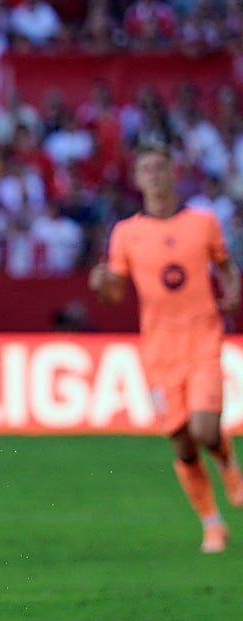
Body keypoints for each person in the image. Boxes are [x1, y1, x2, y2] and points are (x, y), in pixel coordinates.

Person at [89, 142, 243, 553]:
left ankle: (228, 463)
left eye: (160, 168)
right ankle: (212, 523)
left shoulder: (204, 222)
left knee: (205, 427)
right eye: (146, 170)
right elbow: (114, 295)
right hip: (159, 348)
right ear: (138, 180)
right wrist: (103, 284)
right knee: (180, 440)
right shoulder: (127, 233)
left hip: (203, 337)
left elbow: (227, 267)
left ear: (174, 173)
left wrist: (232, 292)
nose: (154, 175)